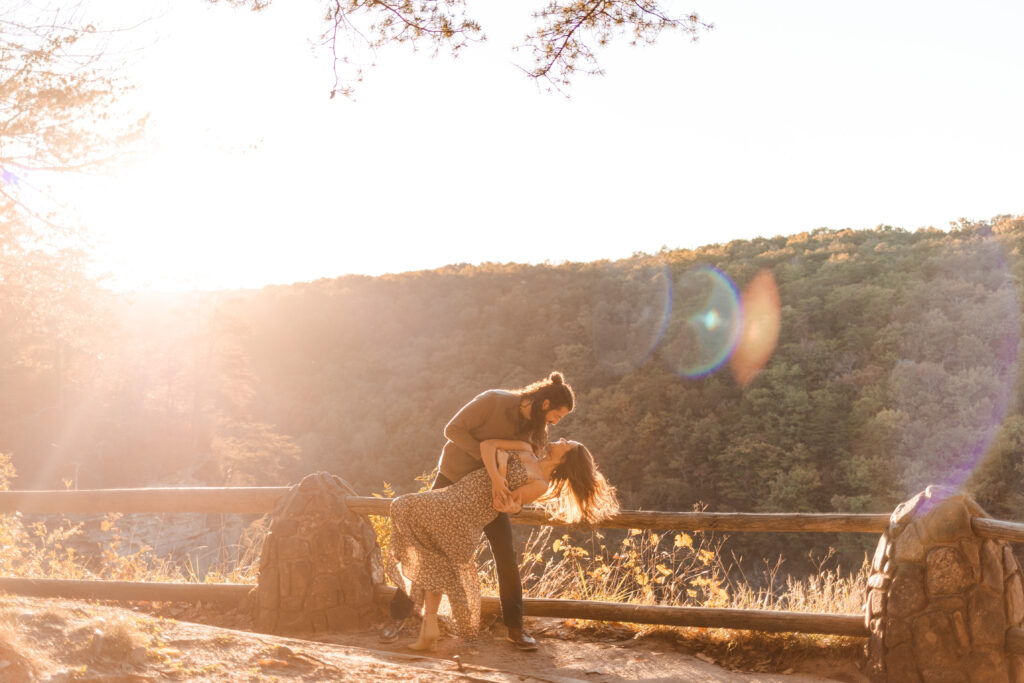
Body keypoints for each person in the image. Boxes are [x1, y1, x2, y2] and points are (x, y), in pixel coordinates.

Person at [379, 371, 576, 650]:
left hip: (490, 496)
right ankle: (397, 618)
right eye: (558, 415)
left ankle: (515, 628)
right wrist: (491, 464)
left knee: (506, 554)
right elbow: (452, 430)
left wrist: (512, 498)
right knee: (426, 545)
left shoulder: (536, 429)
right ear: (545, 404)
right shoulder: (493, 401)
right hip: (453, 478)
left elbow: (528, 472)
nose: (556, 423)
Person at [386, 436, 619, 650]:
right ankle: (429, 629)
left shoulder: (540, 483)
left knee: (410, 518)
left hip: (468, 512)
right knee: (430, 551)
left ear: (565, 459)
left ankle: (428, 629)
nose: (559, 440)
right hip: (456, 493)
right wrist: (500, 472)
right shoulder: (528, 451)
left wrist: (507, 485)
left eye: (565, 443)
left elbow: (504, 505)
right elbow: (490, 447)